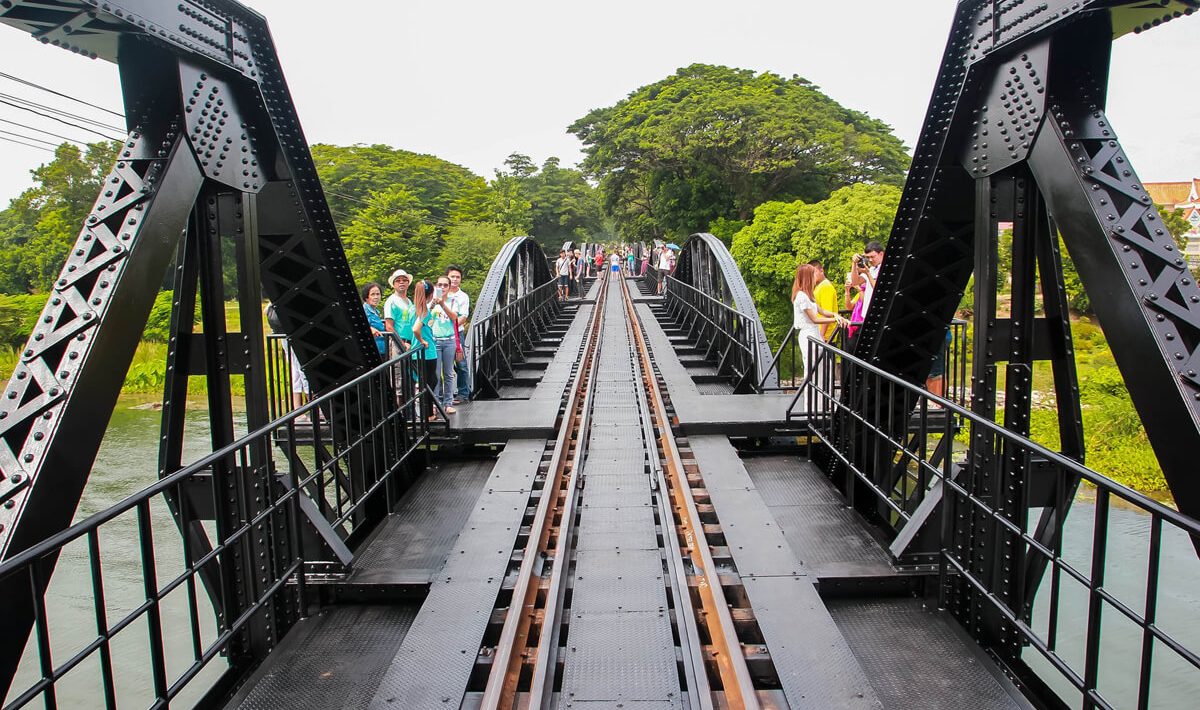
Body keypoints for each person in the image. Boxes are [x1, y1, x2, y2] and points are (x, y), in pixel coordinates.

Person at [427, 275, 460, 415]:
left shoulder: (453, 301)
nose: (442, 288)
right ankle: (435, 403)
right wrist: (434, 303)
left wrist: (442, 304)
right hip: (435, 340)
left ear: (449, 287)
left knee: (448, 373)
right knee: (435, 374)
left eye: (445, 285)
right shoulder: (430, 302)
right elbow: (424, 316)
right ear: (435, 286)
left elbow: (454, 317)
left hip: (449, 340)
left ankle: (448, 402)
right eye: (440, 285)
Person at [411, 280, 442, 421]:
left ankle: (426, 412)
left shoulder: (413, 309)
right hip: (427, 352)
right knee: (431, 382)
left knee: (426, 382)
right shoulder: (424, 312)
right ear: (430, 294)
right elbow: (416, 329)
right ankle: (428, 413)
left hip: (415, 352)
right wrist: (423, 340)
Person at [445, 265, 471, 403]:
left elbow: (463, 317)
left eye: (457, 277)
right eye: (452, 277)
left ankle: (463, 394)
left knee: (461, 364)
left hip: (456, 335)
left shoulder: (463, 296)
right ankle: (444, 396)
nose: (455, 279)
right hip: (439, 336)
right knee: (441, 365)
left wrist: (451, 328)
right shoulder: (441, 293)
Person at [846, 241, 884, 337]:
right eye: (868, 257)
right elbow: (855, 282)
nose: (870, 260)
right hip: (866, 316)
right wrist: (854, 264)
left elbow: (878, 289)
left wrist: (868, 274)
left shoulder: (883, 269)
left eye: (873, 256)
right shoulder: (871, 269)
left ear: (881, 254)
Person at [807, 260, 839, 342]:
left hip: (825, 337)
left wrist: (821, 335)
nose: (812, 276)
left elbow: (826, 313)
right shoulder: (819, 286)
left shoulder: (826, 287)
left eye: (814, 273)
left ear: (821, 270)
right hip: (819, 334)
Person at [362, 282, 387, 356]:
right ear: (366, 297)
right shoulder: (365, 310)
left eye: (378, 294)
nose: (376, 297)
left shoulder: (375, 311)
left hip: (381, 350)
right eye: (373, 294)